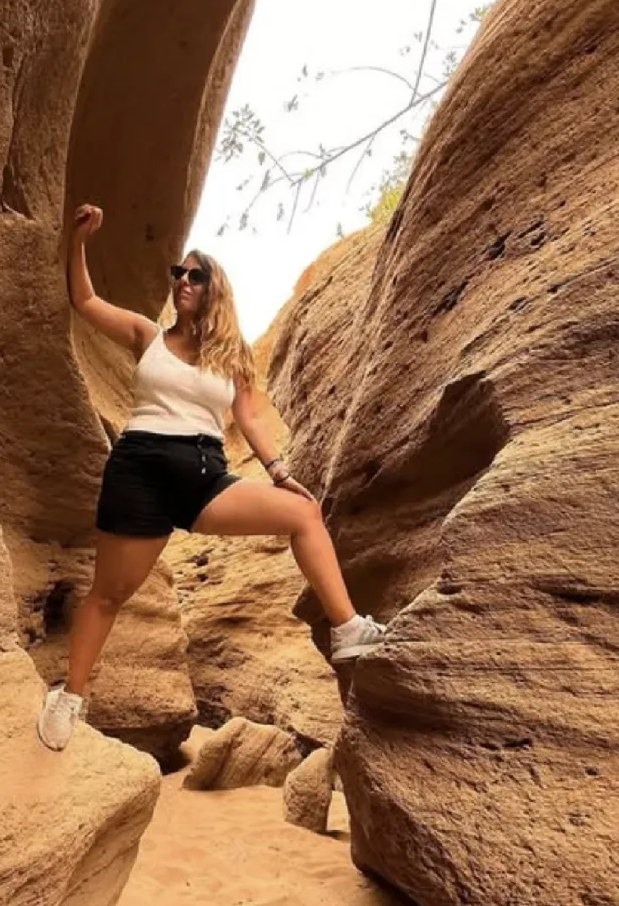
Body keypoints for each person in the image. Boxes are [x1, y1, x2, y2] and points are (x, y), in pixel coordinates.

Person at [37, 203, 386, 751]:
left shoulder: (234, 358)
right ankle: (71, 697)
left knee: (302, 513)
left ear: (215, 288)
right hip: (141, 468)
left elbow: (247, 419)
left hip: (204, 476)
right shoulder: (145, 335)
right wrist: (78, 240)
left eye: (196, 275)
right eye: (179, 273)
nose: (183, 281)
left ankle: (347, 631)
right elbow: (84, 301)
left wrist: (278, 471)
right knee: (110, 594)